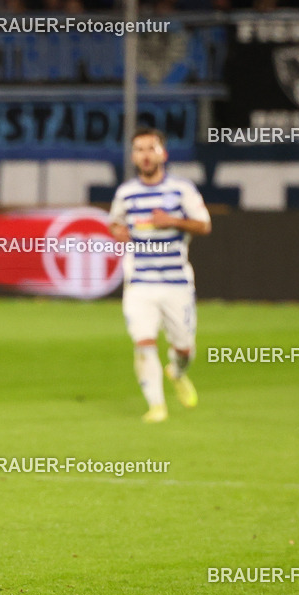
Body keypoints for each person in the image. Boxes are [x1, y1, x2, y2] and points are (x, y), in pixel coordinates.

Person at [109, 127, 211, 423]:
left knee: (184, 348)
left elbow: (204, 225)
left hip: (176, 282)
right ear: (133, 156)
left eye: (150, 148)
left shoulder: (182, 190)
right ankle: (156, 406)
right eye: (139, 149)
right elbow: (114, 224)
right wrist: (120, 232)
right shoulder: (126, 193)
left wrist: (172, 221)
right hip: (140, 282)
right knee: (143, 341)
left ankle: (177, 371)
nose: (145, 155)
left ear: (163, 153)